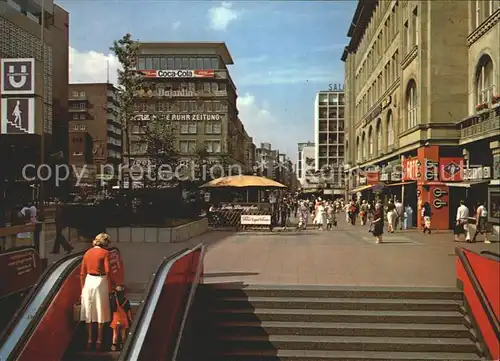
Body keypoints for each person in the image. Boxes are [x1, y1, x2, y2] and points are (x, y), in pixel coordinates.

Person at [80, 233, 115, 350]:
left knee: (88, 310)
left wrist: (82, 288)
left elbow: (82, 273)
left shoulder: (87, 253)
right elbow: (108, 270)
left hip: (89, 281)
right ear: (106, 243)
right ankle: (99, 339)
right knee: (101, 309)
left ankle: (89, 339)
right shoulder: (105, 253)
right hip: (101, 281)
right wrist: (113, 285)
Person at [110, 285, 132, 351]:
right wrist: (130, 319)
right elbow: (128, 311)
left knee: (115, 333)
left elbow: (112, 309)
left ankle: (114, 346)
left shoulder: (114, 300)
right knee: (123, 334)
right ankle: (123, 345)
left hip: (116, 319)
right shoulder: (126, 301)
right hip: (124, 320)